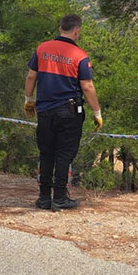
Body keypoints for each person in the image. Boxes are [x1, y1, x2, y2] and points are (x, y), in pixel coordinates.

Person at [23, 14, 102, 211]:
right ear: (77, 31)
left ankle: (43, 198)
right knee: (64, 154)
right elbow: (87, 86)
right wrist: (97, 111)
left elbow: (31, 76)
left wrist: (28, 100)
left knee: (46, 152)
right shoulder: (80, 56)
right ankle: (59, 197)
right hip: (69, 111)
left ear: (60, 28)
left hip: (44, 110)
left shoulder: (42, 49)